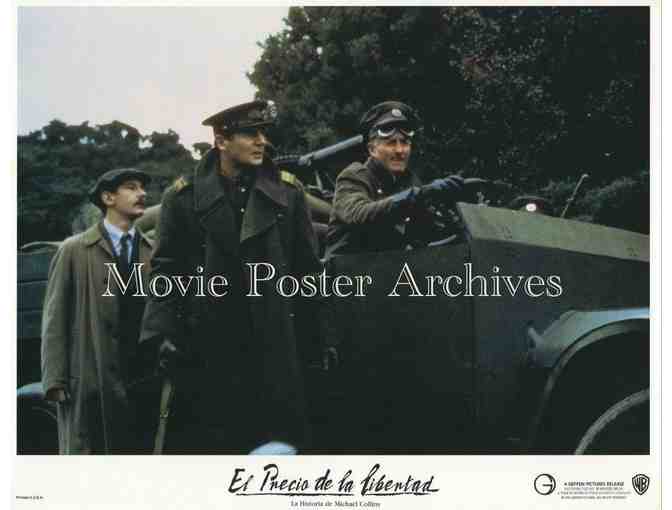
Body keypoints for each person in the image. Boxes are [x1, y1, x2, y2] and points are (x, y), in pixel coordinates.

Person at [140, 99, 321, 454]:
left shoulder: (288, 192)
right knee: (214, 445)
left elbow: (308, 271)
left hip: (275, 342)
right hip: (209, 343)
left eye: (263, 132)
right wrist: (162, 333)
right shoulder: (182, 197)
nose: (262, 141)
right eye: (250, 133)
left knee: (279, 448)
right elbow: (166, 270)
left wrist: (319, 336)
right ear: (221, 141)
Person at [41, 168, 154, 454]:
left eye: (142, 188)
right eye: (131, 187)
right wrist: (55, 379)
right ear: (108, 198)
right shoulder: (74, 250)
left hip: (143, 376)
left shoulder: (153, 251)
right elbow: (55, 318)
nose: (142, 193)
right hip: (91, 375)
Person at [326, 101, 468, 257]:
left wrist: (453, 205)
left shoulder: (408, 182)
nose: (400, 150)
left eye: (405, 143)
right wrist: (422, 194)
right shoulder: (355, 176)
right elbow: (359, 214)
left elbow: (429, 232)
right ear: (372, 149)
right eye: (391, 143)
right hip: (349, 269)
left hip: (392, 267)